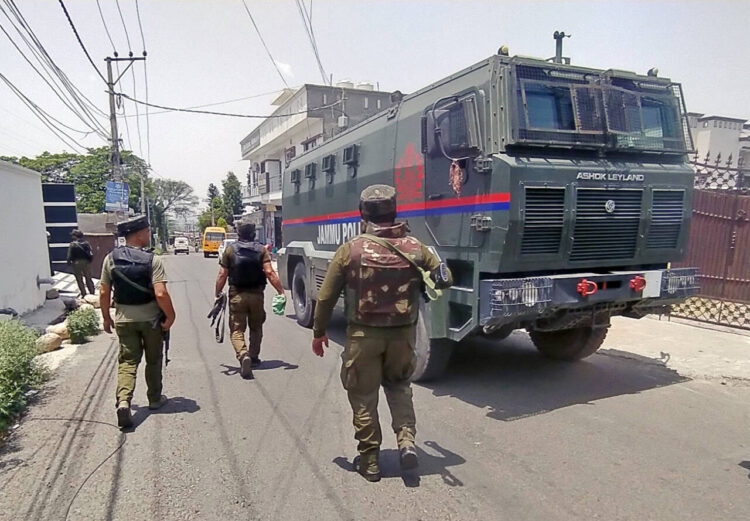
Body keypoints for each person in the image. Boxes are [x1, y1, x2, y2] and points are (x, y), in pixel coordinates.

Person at [311, 185, 453, 482]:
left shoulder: (350, 249)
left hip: (363, 338)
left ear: (362, 214)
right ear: (395, 212)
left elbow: (325, 297)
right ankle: (406, 441)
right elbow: (445, 279)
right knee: (400, 387)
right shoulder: (416, 247)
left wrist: (319, 332)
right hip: (403, 337)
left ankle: (370, 461)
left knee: (363, 396)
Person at [99, 215, 176, 429]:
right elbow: (160, 293)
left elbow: (104, 292)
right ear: (139, 233)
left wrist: (107, 317)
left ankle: (124, 401)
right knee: (153, 359)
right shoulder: (153, 260)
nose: (149, 234)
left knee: (127, 362)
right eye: (147, 231)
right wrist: (171, 316)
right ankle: (154, 398)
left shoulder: (110, 259)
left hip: (124, 320)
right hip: (151, 321)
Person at [215, 221, 285, 379]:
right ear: (253, 234)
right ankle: (253, 357)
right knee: (256, 327)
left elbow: (222, 275)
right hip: (257, 295)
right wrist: (281, 291)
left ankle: (243, 354)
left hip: (237, 295)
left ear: (238, 234)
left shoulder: (230, 250)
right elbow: (269, 272)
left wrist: (217, 293)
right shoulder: (261, 250)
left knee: (237, 329)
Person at [67, 229, 95, 297]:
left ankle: (83, 293)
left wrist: (68, 262)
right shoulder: (86, 243)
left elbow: (69, 255)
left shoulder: (72, 244)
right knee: (88, 277)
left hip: (76, 263)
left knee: (79, 279)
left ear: (75, 236)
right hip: (86, 262)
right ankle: (92, 292)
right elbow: (90, 253)